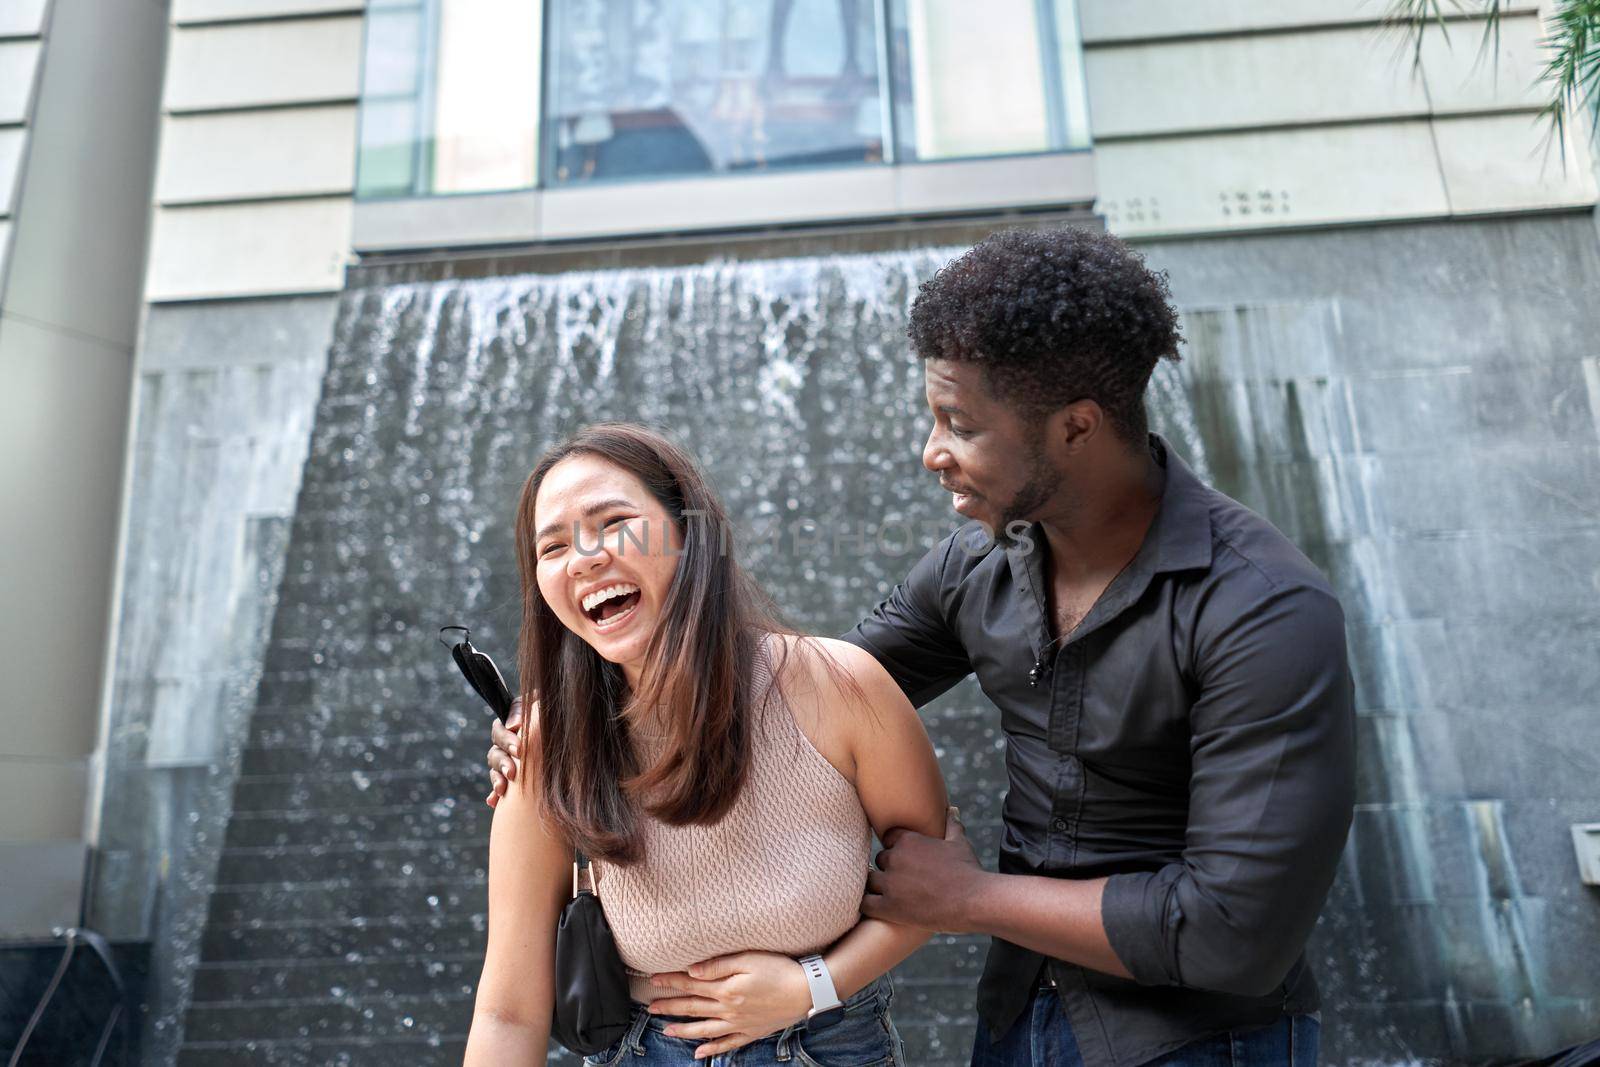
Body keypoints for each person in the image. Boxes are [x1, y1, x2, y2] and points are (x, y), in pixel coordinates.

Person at [487, 228, 1356, 1067]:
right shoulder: (977, 566)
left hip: (1205, 1036)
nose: (931, 451)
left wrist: (964, 899)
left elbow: (1233, 933)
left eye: (959, 422)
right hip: (1024, 1014)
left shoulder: (1264, 609)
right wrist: (581, 717)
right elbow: (793, 698)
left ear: (1077, 427)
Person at [463, 424, 949, 1067]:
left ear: (689, 531)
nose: (583, 558)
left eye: (612, 523)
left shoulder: (839, 687)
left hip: (827, 1043)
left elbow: (943, 886)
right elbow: (509, 1010)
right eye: (553, 547)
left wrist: (812, 987)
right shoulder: (548, 744)